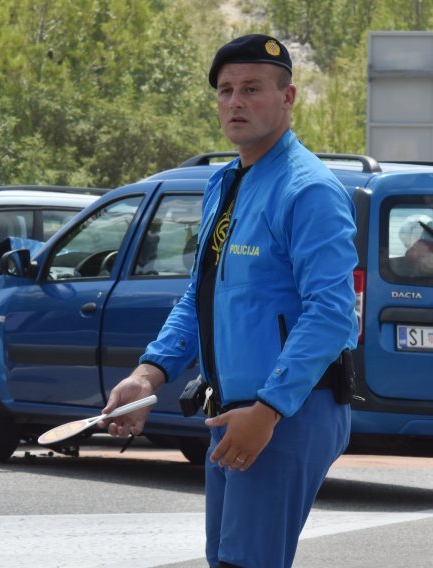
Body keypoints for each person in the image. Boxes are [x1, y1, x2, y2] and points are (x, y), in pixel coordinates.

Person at [99, 34, 358, 568]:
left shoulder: (308, 189)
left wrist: (268, 410)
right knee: (229, 561)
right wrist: (149, 374)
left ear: (287, 99)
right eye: (225, 90)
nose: (235, 102)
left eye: (252, 89)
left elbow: (332, 313)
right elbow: (201, 294)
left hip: (285, 412)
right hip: (230, 414)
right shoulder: (225, 183)